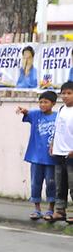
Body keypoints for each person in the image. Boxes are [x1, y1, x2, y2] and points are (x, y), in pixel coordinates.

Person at [16, 91, 57, 220]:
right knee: (35, 183)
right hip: (36, 157)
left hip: (52, 158)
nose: (42, 104)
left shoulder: (58, 116)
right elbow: (27, 112)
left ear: (53, 103)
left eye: (46, 102)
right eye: (40, 102)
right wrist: (22, 110)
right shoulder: (35, 115)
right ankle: (37, 209)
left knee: (51, 184)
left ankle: (50, 209)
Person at [49, 81, 73, 224]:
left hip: (71, 154)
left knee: (72, 184)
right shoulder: (61, 109)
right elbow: (57, 129)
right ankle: (60, 211)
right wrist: (52, 144)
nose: (65, 96)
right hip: (59, 153)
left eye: (69, 93)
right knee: (60, 184)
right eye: (63, 93)